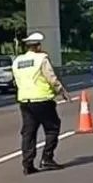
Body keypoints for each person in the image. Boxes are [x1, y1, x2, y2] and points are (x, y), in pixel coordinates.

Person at [12, 31, 71, 175]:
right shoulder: (41, 59)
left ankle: (28, 164)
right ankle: (47, 158)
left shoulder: (17, 61)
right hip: (42, 99)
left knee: (29, 133)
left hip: (25, 100)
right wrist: (61, 91)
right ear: (38, 46)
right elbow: (51, 77)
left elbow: (16, 80)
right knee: (52, 128)